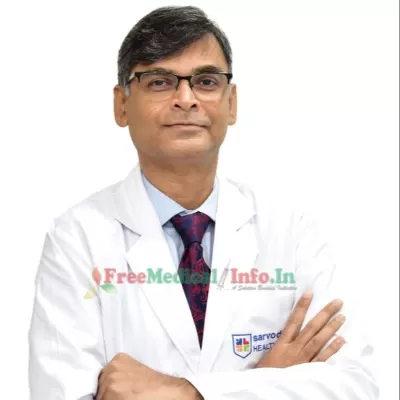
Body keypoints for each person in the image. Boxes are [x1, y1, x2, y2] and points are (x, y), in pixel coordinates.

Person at [28, 5, 379, 400]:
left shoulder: (292, 231)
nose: (186, 99)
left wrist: (188, 392)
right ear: (121, 105)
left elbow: (355, 386)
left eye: (206, 81)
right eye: (159, 82)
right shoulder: (76, 238)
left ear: (231, 103)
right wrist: (269, 380)